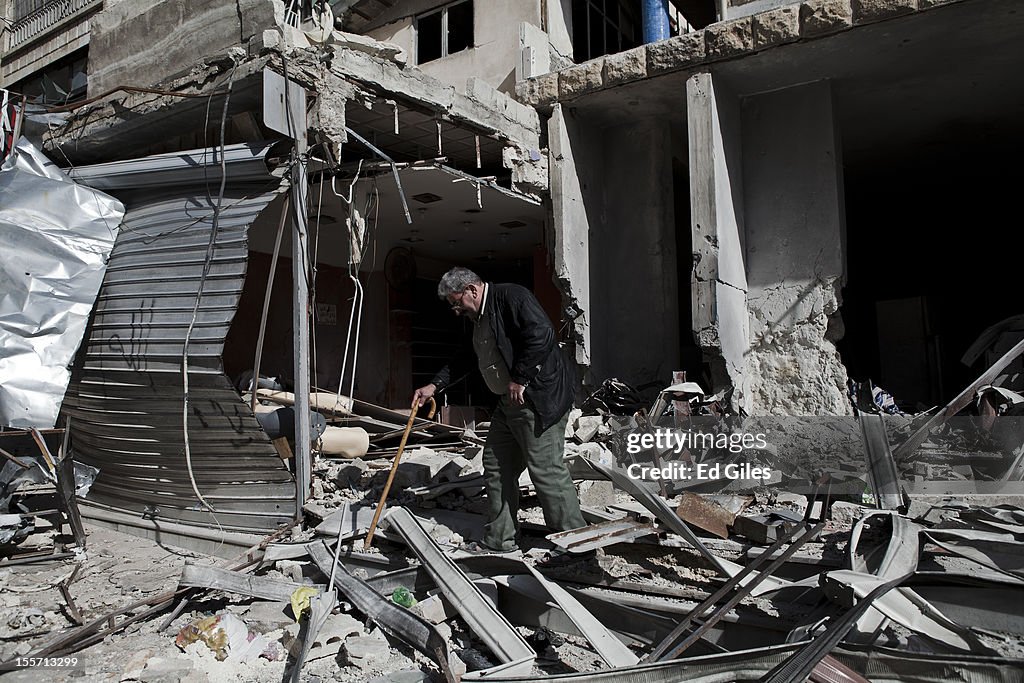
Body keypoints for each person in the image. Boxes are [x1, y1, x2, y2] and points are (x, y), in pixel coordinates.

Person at [413, 267, 593, 566]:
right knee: (496, 465)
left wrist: (520, 378)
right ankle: (500, 539)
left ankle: (577, 546)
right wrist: (434, 385)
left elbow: (541, 334)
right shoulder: (478, 319)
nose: (456, 311)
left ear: (472, 289)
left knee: (545, 470)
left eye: (457, 302)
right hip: (508, 404)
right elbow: (468, 358)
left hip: (537, 399)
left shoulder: (511, 296)